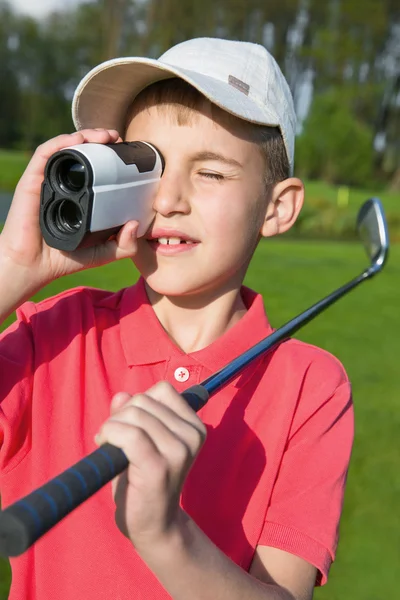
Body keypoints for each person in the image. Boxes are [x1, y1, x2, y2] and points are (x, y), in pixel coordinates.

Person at [0, 37, 353, 600]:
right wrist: (13, 270)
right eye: (149, 166)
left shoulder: (311, 386)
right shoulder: (54, 333)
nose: (168, 200)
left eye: (211, 173)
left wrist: (166, 536)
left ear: (277, 207)